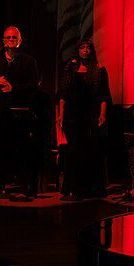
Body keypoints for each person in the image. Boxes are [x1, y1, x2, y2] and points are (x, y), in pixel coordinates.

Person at [0, 26, 42, 198]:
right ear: (3, 41)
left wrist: (13, 88)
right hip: (1, 113)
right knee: (0, 149)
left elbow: (34, 85)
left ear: (20, 41)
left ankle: (26, 185)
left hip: (21, 112)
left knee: (22, 149)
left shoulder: (29, 61)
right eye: (8, 37)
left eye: (14, 37)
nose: (11, 40)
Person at [56, 39, 111, 200]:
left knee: (91, 151)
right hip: (73, 115)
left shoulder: (99, 69)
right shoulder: (71, 68)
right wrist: (61, 114)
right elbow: (63, 93)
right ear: (78, 50)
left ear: (92, 51)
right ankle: (73, 189)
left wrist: (103, 114)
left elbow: (104, 95)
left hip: (91, 114)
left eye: (88, 48)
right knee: (74, 152)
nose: (85, 50)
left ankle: (91, 189)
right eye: (82, 47)